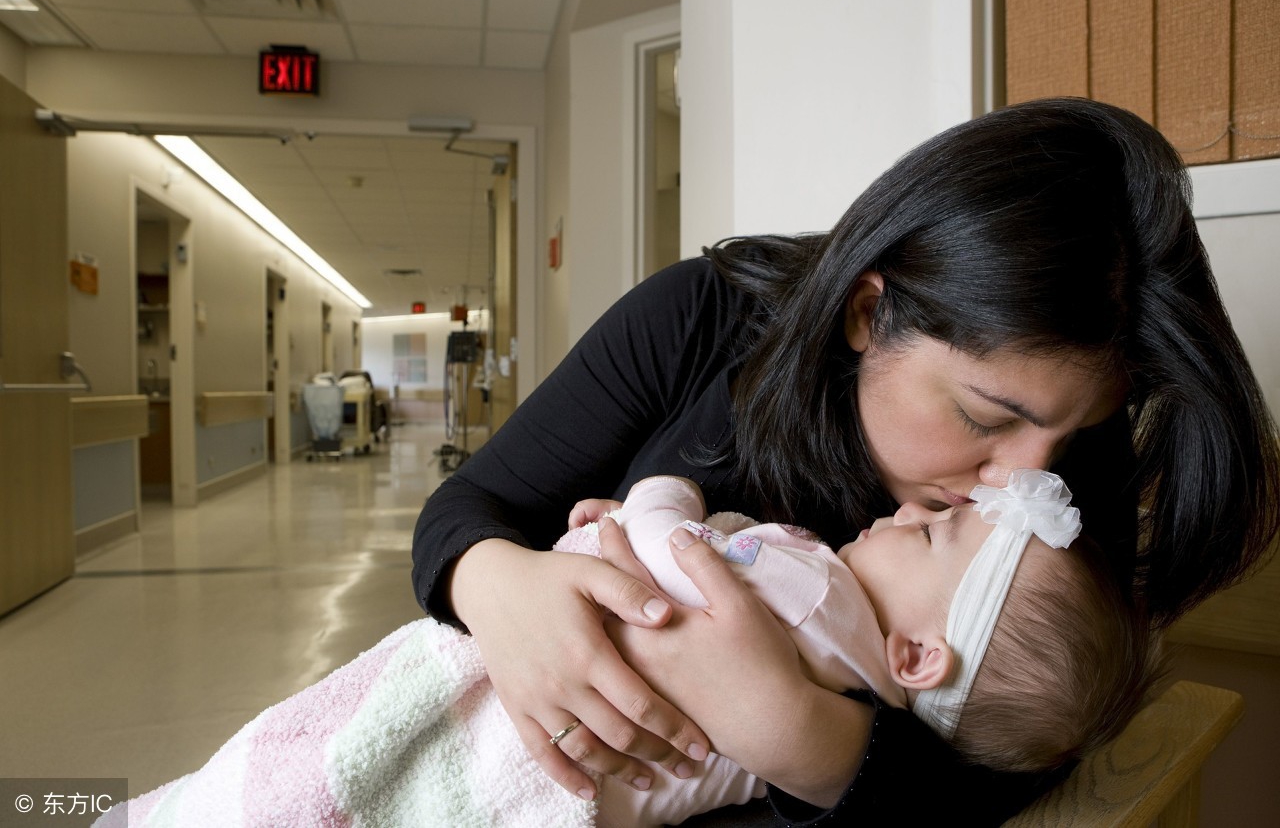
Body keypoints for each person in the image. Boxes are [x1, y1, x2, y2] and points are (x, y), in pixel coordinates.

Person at [412, 97, 1280, 824]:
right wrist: (499, 588)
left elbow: (1035, 747)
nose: (1022, 479)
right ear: (868, 313)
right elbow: (468, 507)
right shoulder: (698, 319)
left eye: (1072, 431)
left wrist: (791, 729)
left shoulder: (1060, 491)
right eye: (985, 415)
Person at [561, 469, 1156, 826]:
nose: (908, 511)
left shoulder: (819, 597)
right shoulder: (855, 691)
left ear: (917, 656)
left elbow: (668, 555)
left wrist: (662, 496)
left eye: (928, 534)